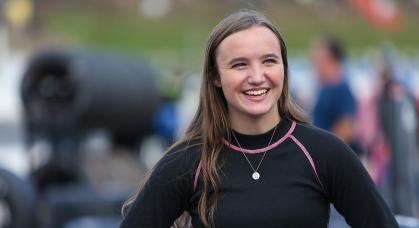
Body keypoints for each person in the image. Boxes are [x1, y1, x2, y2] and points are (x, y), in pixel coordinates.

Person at [120, 9, 398, 228]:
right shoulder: (188, 161)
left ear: (284, 69)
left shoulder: (325, 153)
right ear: (216, 77)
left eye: (269, 61)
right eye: (239, 64)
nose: (256, 76)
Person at [310, 37, 362, 156]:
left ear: (330, 60)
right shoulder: (323, 88)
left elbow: (347, 128)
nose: (314, 63)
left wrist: (323, 152)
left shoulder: (341, 88)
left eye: (318, 59)